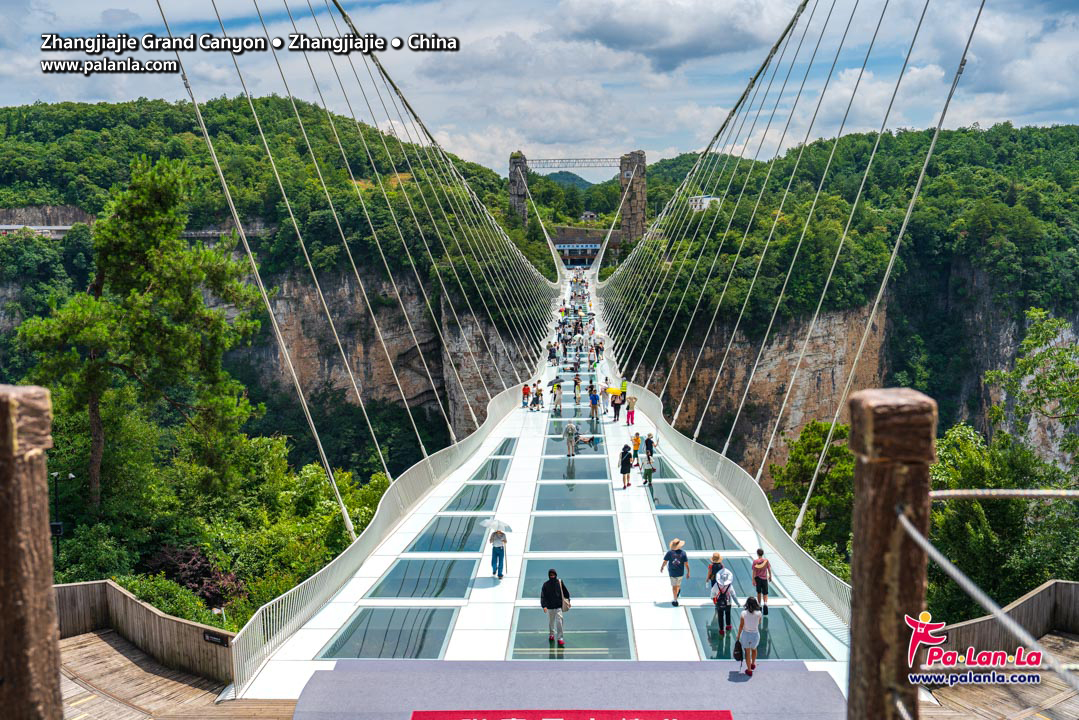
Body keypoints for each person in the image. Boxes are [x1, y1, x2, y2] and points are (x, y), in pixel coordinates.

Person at [541, 569, 570, 647]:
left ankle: (560, 638)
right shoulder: (545, 584)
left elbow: (566, 592)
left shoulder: (559, 582)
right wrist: (544, 606)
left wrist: (568, 601)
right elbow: (543, 596)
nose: (552, 576)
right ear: (549, 576)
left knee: (559, 622)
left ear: (556, 575)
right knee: (551, 622)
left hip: (558, 607)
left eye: (553, 575)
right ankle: (551, 634)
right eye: (551, 575)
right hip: (550, 607)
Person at [737, 597, 763, 675]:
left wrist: (738, 635)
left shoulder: (743, 613)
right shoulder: (759, 613)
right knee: (754, 649)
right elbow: (759, 623)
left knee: (747, 652)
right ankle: (753, 663)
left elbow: (741, 626)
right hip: (755, 635)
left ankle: (749, 670)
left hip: (746, 635)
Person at [661, 538, 689, 606]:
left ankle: (675, 600)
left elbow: (665, 561)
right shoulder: (683, 553)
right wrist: (688, 572)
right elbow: (686, 564)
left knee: (674, 586)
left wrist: (662, 567)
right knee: (678, 585)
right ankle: (676, 594)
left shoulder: (669, 553)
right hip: (680, 572)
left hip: (672, 572)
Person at [713, 565, 736, 635]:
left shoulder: (716, 585)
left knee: (720, 616)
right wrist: (737, 603)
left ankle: (721, 629)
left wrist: (713, 598)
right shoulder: (730, 586)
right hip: (728, 602)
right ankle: (728, 625)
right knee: (728, 613)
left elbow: (712, 593)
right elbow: (733, 594)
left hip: (719, 602)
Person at [753, 548, 772, 615]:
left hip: (758, 578)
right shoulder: (766, 561)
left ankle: (759, 605)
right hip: (764, 578)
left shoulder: (755, 561)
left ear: (757, 554)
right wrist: (770, 576)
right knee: (765, 593)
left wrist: (753, 579)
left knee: (759, 592)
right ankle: (765, 604)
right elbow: (769, 569)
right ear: (762, 553)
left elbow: (754, 571)